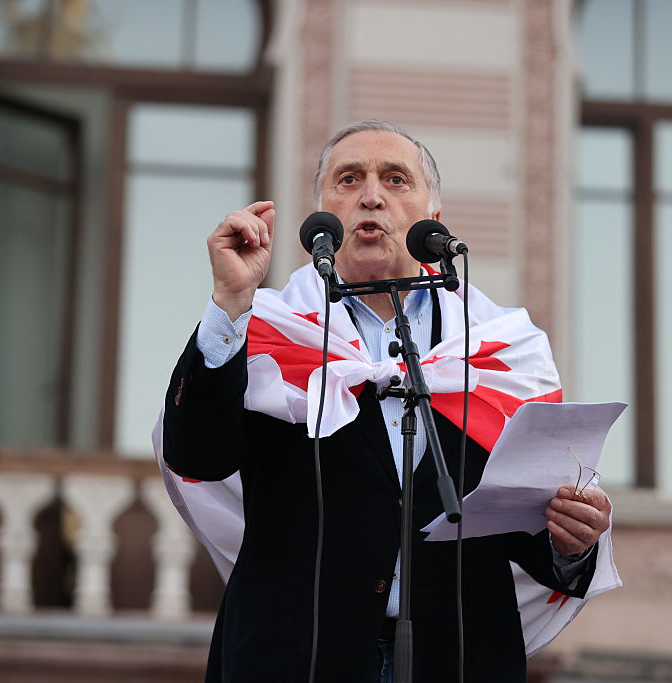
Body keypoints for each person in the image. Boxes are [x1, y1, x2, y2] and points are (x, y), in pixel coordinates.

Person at [159, 120, 612, 682]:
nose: (371, 196)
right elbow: (196, 457)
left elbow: (527, 526)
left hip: (459, 659)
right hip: (292, 657)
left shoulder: (503, 351)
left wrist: (573, 542)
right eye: (348, 179)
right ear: (322, 213)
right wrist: (230, 301)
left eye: (396, 179)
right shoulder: (267, 330)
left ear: (432, 216)